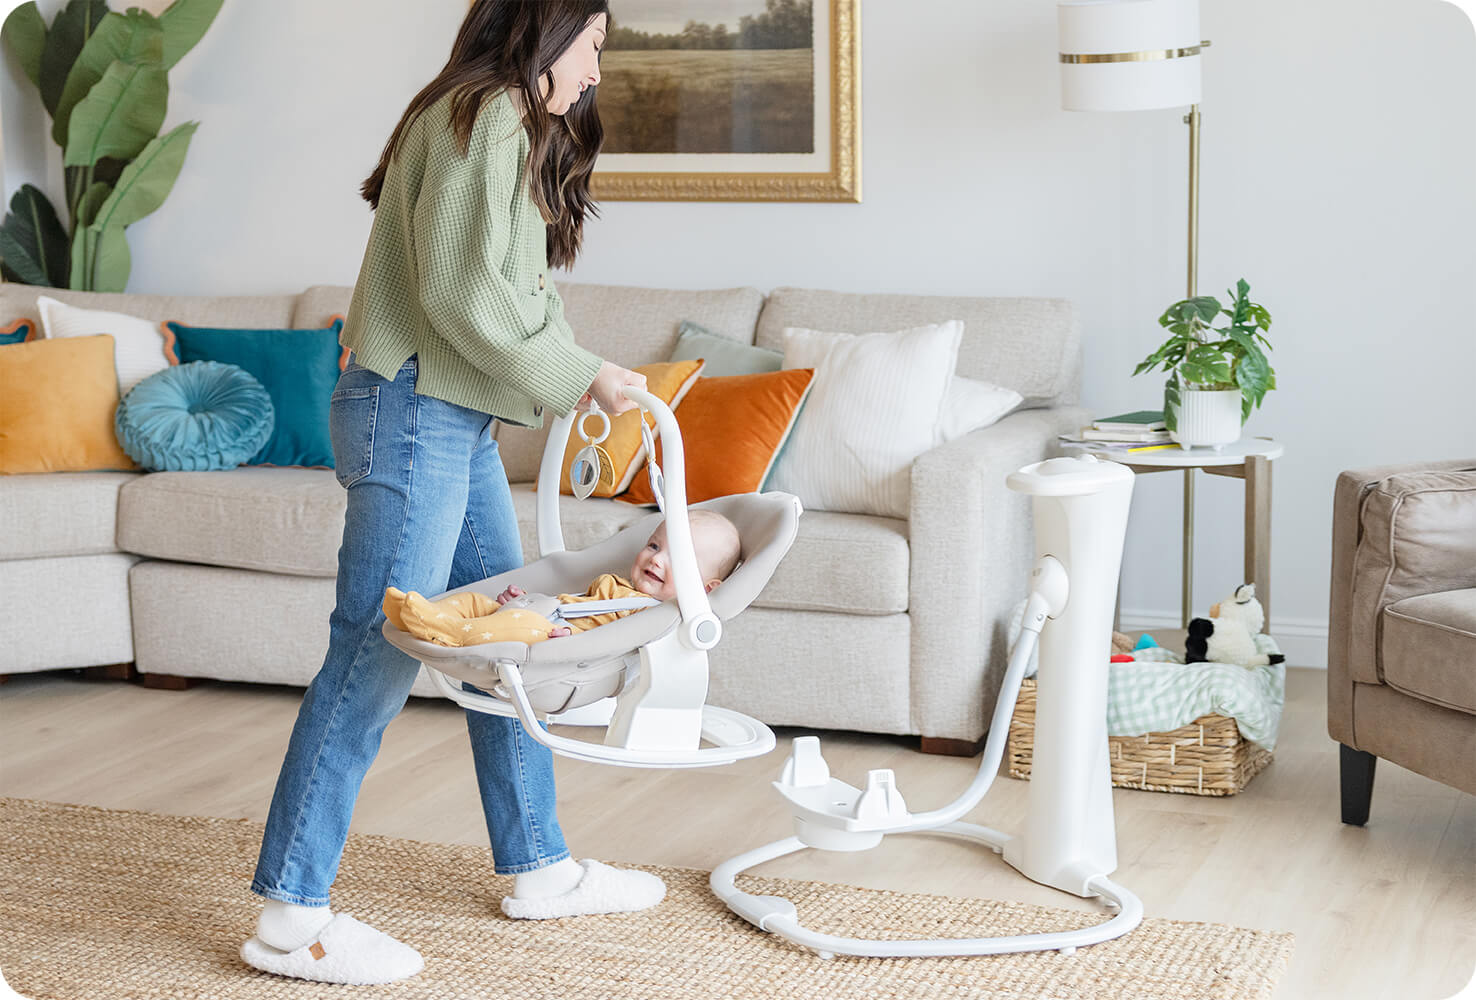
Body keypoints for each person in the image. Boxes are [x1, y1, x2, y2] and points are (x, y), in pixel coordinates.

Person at [242, 2, 655, 986]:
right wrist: (583, 375)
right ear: (547, 30)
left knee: (500, 633)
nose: (595, 73)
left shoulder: (489, 117)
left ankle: (539, 865)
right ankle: (291, 916)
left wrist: (577, 362)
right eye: (593, 47)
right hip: (414, 408)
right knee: (374, 650)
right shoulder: (487, 119)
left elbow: (516, 293)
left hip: (447, 411)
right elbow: (465, 297)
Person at [383, 510, 743, 646]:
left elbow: (613, 643)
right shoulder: (618, 587)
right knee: (481, 601)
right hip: (543, 614)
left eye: (676, 558)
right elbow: (575, 606)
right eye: (653, 545)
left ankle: (445, 631)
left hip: (552, 637)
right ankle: (426, 610)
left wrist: (575, 638)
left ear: (705, 589)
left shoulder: (654, 617)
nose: (656, 559)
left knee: (509, 630)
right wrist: (524, 602)